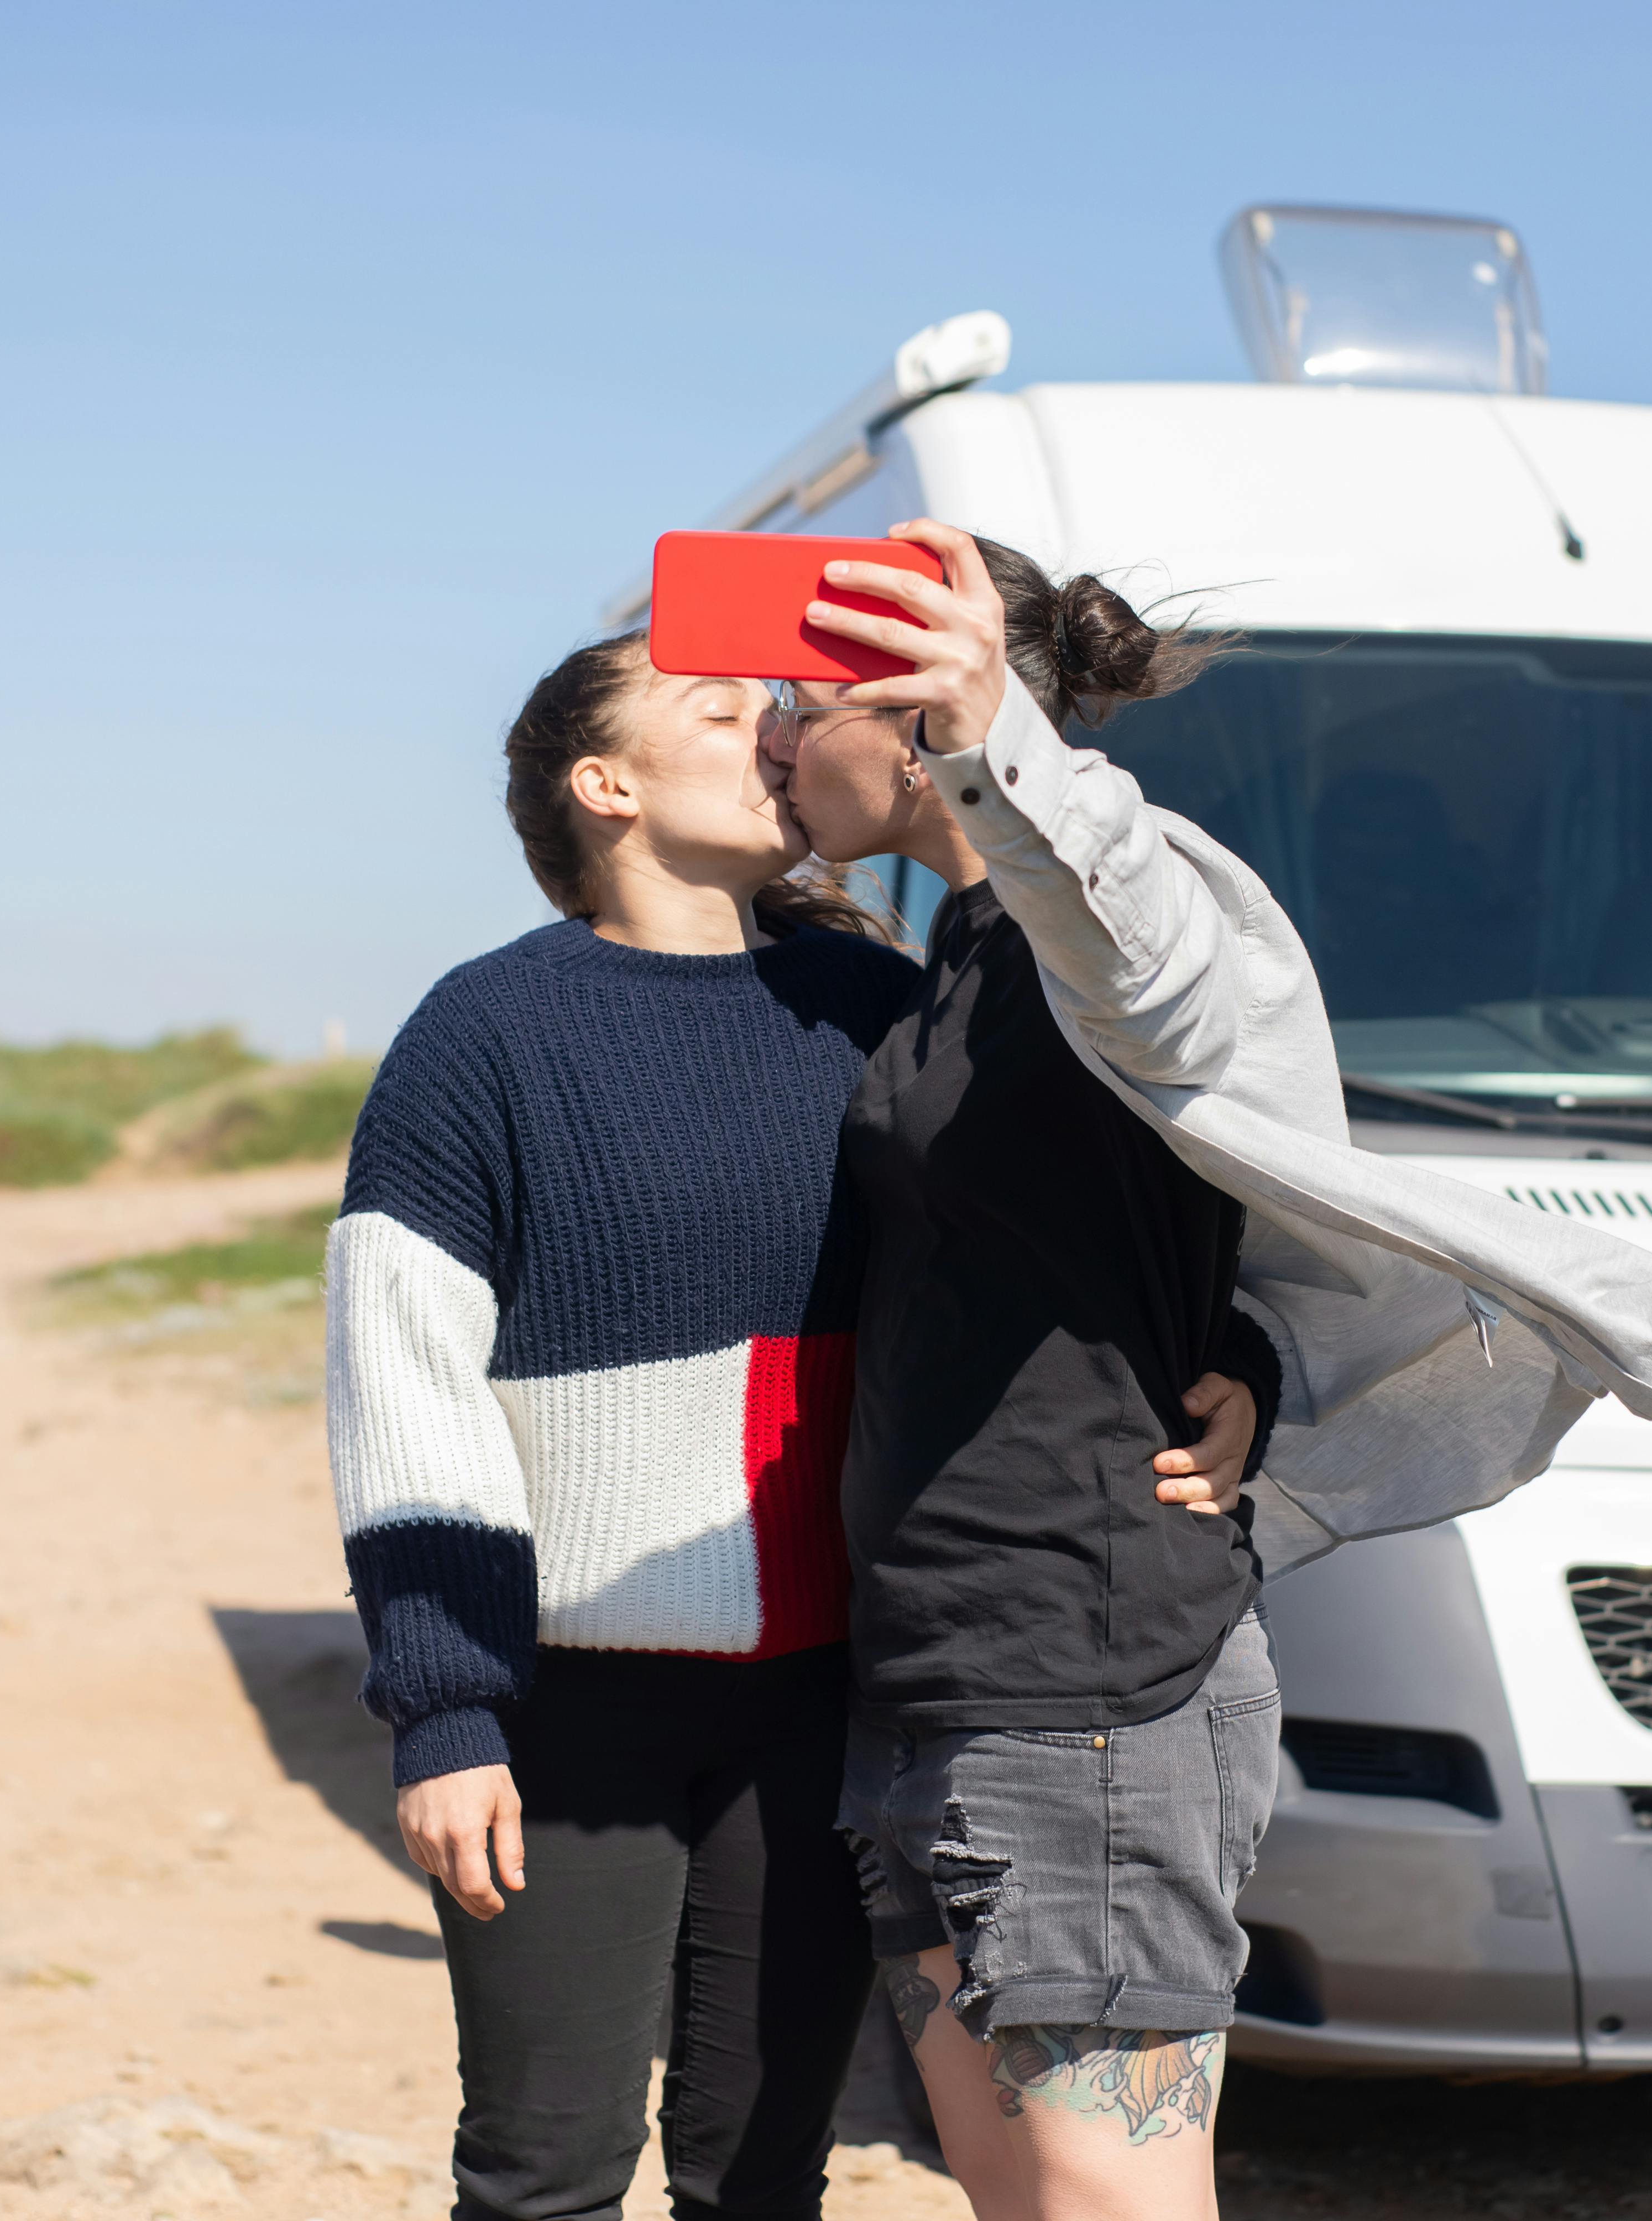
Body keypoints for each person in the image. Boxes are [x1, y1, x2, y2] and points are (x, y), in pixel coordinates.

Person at [765, 522, 1652, 2221]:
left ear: (926, 707)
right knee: (1014, 2191)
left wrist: (996, 737)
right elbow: (1119, 1224)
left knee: (1109, 2197)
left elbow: (1152, 992)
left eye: (798, 704)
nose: (772, 739)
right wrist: (1237, 1345)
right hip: (937, 1666)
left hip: (1091, 1673)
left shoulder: (1135, 890)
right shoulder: (957, 964)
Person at [320, 638, 1273, 2221]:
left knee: (762, 2171)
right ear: (605, 787)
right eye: (716, 712)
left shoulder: (872, 1005)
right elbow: (404, 1387)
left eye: (775, 709)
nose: (773, 732)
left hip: (831, 1708)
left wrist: (1236, 1351)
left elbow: (1052, 1233)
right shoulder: (482, 1035)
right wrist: (445, 1708)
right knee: (542, 2174)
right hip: (572, 1708)